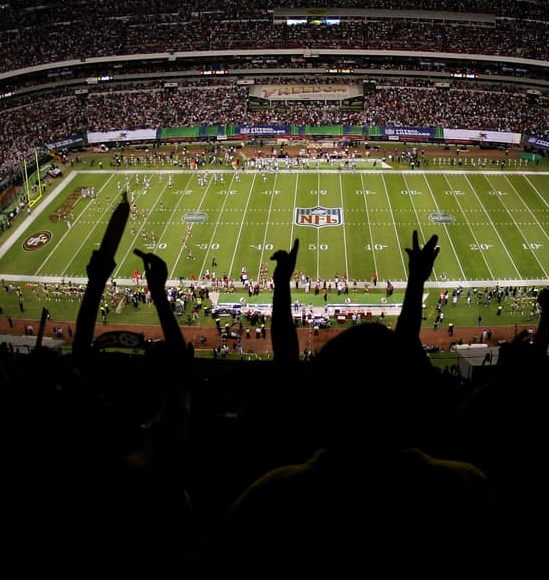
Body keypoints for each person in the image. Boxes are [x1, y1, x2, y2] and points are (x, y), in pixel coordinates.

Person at [197, 231, 498, 575]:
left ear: (325, 399)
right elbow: (399, 359)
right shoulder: (459, 486)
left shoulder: (275, 494)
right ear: (405, 397)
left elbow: (287, 366)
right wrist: (416, 282)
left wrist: (282, 285)